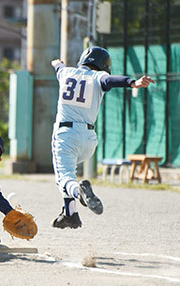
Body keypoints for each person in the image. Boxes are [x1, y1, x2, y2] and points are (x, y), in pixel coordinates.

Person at [50, 46, 155, 229]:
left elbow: (59, 67)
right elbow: (112, 80)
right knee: (69, 173)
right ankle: (70, 214)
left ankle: (80, 194)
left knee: (65, 179)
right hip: (89, 139)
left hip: (66, 135)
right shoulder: (98, 77)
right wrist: (133, 83)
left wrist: (57, 63)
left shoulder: (66, 72)